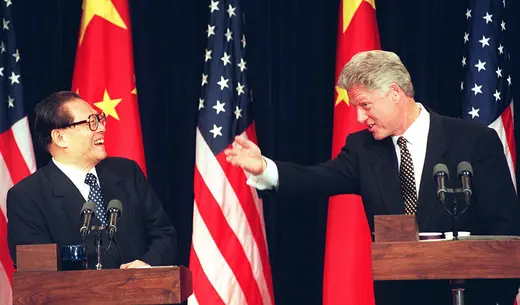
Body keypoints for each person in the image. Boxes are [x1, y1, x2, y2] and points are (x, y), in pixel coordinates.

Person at [225, 50, 520, 305]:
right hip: (399, 298)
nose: (359, 118)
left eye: (365, 105)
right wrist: (265, 169)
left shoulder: (473, 141)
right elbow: (318, 178)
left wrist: (498, 296)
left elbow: (505, 225)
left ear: (395, 93)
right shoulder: (362, 148)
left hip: (467, 297)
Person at [7, 91, 176, 270]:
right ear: (60, 138)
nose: (101, 128)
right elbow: (37, 269)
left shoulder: (127, 173)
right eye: (91, 123)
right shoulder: (27, 197)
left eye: (99, 119)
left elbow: (164, 234)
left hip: (144, 293)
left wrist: (146, 264)